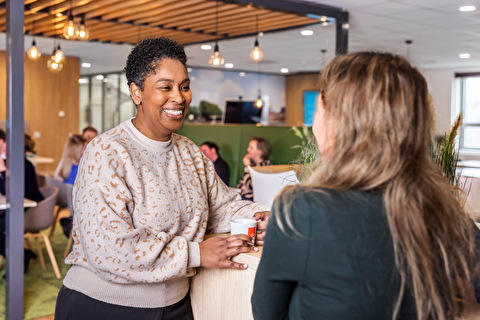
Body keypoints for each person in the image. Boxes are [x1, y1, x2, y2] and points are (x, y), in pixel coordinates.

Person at [55, 37, 269, 320]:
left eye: (184, 86)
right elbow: (110, 249)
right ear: (136, 92)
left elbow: (223, 206)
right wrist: (196, 254)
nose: (179, 97)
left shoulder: (189, 152)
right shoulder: (107, 151)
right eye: (165, 87)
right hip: (103, 307)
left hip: (176, 306)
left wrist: (261, 215)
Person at [251, 52, 477, 320]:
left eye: (319, 108)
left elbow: (268, 313)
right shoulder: (440, 206)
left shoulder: (302, 208)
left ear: (336, 122)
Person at [0, 130, 44, 273]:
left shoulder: (22, 165)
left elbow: (8, 192)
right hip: (14, 207)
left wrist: (2, 170)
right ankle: (23, 255)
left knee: (2, 225)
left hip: (31, 209)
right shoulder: (10, 162)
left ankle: (19, 259)